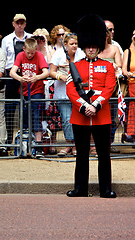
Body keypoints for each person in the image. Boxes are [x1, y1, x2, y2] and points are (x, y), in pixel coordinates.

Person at [66, 15, 116, 198]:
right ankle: (80, 188)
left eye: (94, 46)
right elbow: (71, 89)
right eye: (89, 46)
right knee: (81, 154)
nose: (92, 49)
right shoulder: (76, 66)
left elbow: (109, 87)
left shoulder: (108, 66)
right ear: (84, 47)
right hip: (80, 115)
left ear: (98, 47)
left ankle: (106, 189)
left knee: (104, 154)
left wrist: (95, 105)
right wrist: (83, 106)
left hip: (100, 114)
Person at [9, 38, 50, 158]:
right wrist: (20, 78)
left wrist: (36, 77)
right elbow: (12, 72)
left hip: (37, 90)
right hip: (24, 91)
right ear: (24, 49)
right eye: (28, 53)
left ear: (36, 49)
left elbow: (46, 72)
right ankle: (24, 144)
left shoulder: (40, 56)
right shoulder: (21, 56)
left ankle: (38, 146)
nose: (30, 55)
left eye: (32, 53)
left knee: (36, 117)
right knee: (24, 116)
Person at [50, 33, 85, 156]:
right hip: (62, 92)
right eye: (71, 44)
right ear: (65, 45)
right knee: (66, 120)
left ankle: (76, 145)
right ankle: (69, 144)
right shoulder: (58, 54)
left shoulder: (82, 54)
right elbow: (52, 72)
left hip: (78, 93)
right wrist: (62, 77)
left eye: (76, 43)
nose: (74, 46)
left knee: (78, 120)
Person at [1, 14, 32, 145]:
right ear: (13, 24)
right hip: (10, 75)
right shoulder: (6, 39)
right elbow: (3, 59)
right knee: (9, 109)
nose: (19, 25)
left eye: (22, 22)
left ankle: (25, 140)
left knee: (26, 108)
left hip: (27, 74)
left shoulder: (31, 37)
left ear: (25, 24)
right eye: (17, 22)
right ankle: (8, 141)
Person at [121, 30, 135, 143]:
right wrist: (128, 73)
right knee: (133, 108)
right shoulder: (128, 52)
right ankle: (131, 133)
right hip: (133, 84)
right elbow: (124, 69)